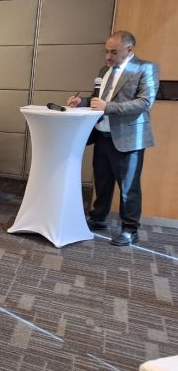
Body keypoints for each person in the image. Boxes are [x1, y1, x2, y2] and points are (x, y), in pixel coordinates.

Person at [67, 31, 159, 246]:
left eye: (113, 52)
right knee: (102, 181)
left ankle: (130, 229)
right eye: (106, 52)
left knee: (128, 187)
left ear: (129, 50)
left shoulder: (146, 68)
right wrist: (82, 101)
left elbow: (145, 102)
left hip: (129, 138)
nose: (108, 57)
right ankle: (98, 218)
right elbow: (97, 99)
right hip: (102, 134)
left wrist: (107, 106)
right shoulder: (104, 71)